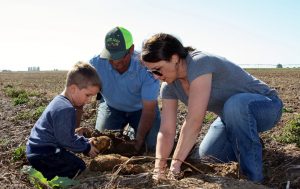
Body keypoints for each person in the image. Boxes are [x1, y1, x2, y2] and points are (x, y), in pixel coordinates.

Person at [141, 33, 283, 182]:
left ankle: (254, 179)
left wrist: (175, 165)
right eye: (151, 72)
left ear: (175, 58)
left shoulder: (199, 63)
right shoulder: (169, 86)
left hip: (267, 106)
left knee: (235, 104)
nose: (156, 76)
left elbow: (194, 120)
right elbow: (166, 131)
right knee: (209, 156)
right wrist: (159, 168)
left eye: (158, 69)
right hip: (229, 117)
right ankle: (248, 141)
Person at [90, 26, 161, 152]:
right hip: (111, 107)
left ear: (132, 49)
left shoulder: (146, 66)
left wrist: (138, 142)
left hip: (141, 110)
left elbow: (149, 110)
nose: (116, 61)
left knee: (151, 146)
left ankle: (133, 133)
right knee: (102, 143)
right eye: (112, 56)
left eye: (121, 56)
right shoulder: (96, 64)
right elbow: (78, 95)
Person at [26, 62, 101, 180]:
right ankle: (46, 176)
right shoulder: (66, 109)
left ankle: (43, 172)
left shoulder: (59, 101)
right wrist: (86, 147)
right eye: (88, 95)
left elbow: (65, 135)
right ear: (73, 89)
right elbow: (66, 140)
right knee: (79, 167)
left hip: (38, 150)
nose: (89, 100)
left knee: (71, 161)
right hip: (45, 154)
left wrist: (84, 141)